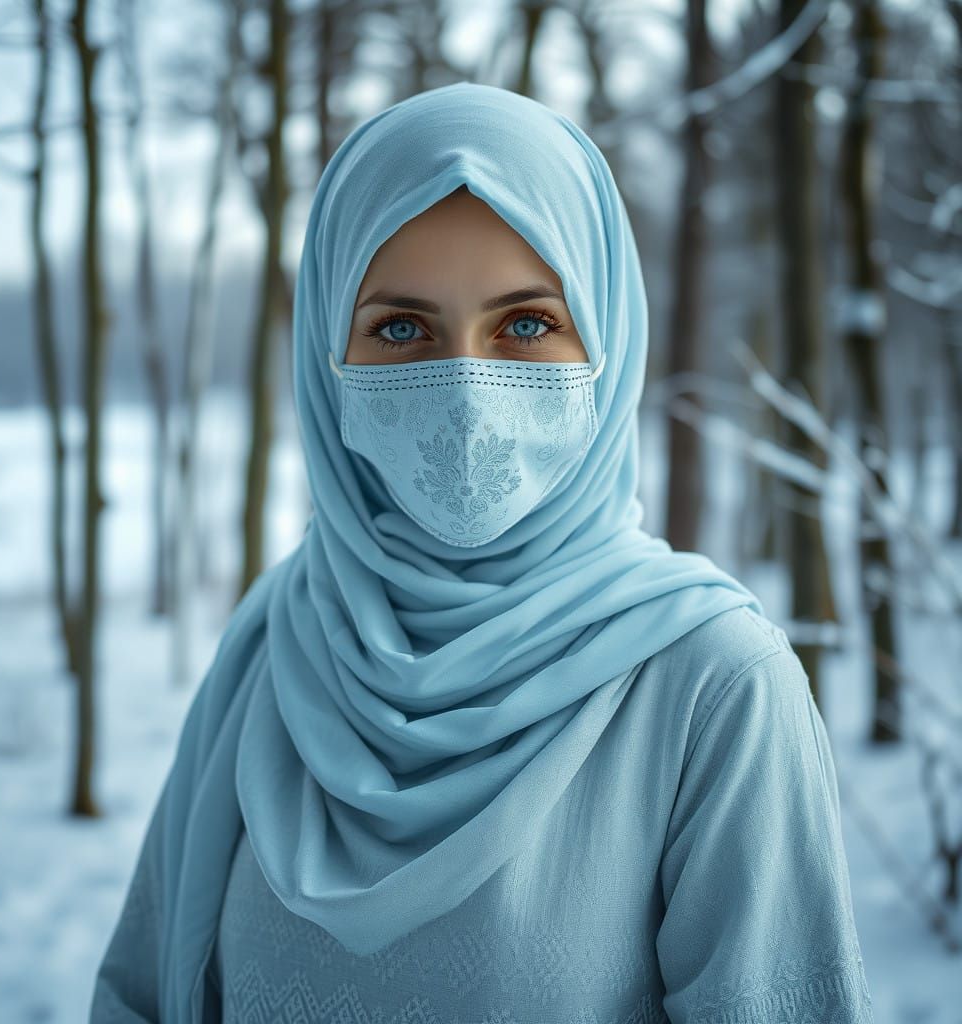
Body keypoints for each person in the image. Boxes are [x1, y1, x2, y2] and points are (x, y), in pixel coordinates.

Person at [90, 82, 874, 1024]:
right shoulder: (274, 644)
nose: (464, 391)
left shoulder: (714, 688)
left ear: (609, 343)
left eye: (528, 324)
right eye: (401, 328)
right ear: (325, 362)